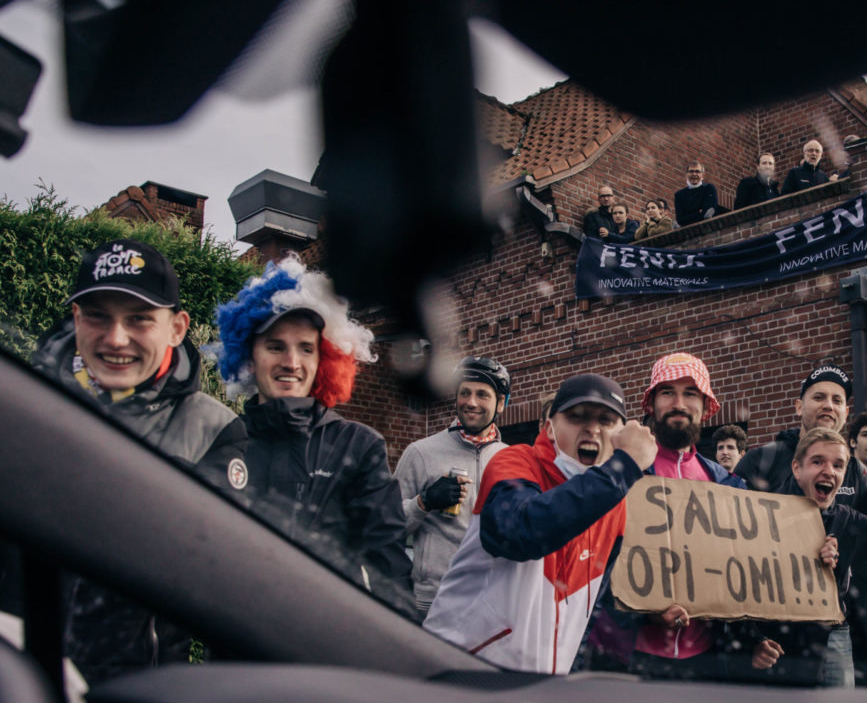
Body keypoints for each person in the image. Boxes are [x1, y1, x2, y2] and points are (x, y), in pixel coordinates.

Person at [34, 239, 247, 680]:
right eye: (98, 316)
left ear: (177, 328)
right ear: (76, 318)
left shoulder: (215, 429)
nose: (116, 338)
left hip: (137, 691)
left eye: (139, 319)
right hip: (22, 676)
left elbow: (221, 580)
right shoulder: (24, 398)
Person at [422, 374, 656, 674]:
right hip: (461, 668)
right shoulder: (514, 462)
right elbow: (520, 533)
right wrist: (623, 468)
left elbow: (595, 607)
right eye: (577, 416)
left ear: (620, 435)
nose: (592, 428)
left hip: (542, 683)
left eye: (606, 420)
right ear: (549, 428)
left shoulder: (613, 500)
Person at [215, 258, 412, 599]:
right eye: (275, 346)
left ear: (325, 360)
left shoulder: (358, 447)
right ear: (249, 355)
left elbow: (390, 573)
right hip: (233, 629)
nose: (291, 363)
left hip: (326, 630)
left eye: (306, 349)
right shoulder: (222, 441)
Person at [743, 429, 867, 688]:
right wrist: (753, 641)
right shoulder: (761, 513)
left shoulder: (845, 519)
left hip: (828, 641)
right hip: (773, 647)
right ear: (797, 468)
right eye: (818, 462)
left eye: (838, 465)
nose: (829, 471)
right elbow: (738, 586)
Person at [619, 354, 749, 681]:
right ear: (651, 404)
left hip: (707, 659)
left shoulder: (727, 484)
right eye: (667, 392)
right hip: (631, 658)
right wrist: (645, 610)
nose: (679, 403)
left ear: (705, 407)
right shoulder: (622, 473)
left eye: (690, 393)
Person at [394, 356, 510, 615]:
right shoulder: (420, 453)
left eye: (482, 394)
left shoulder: (512, 460)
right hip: (432, 601)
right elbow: (386, 526)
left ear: (501, 403)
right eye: (465, 393)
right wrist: (424, 502)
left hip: (492, 604)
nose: (471, 402)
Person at [734, 366, 867, 518]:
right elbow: (731, 518)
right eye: (819, 398)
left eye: (837, 400)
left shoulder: (859, 474)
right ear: (799, 407)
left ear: (845, 414)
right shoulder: (759, 461)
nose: (829, 406)